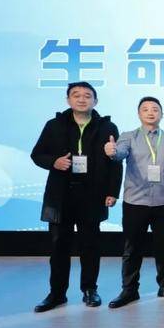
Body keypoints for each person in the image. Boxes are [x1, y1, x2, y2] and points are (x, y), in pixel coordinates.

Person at [31, 81, 122, 312]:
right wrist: (54, 161)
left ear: (95, 101)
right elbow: (37, 154)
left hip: (92, 194)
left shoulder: (107, 127)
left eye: (87, 96)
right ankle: (57, 293)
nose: (82, 99)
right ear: (68, 100)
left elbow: (115, 163)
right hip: (61, 194)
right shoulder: (54, 125)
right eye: (76, 95)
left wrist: (112, 192)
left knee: (90, 246)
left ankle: (90, 289)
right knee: (58, 246)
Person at [104, 96, 164, 308]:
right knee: (132, 248)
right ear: (139, 114)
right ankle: (129, 290)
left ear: (161, 114)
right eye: (145, 109)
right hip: (136, 202)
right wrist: (112, 151)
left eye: (155, 109)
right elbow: (119, 154)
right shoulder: (128, 136)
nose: (150, 112)